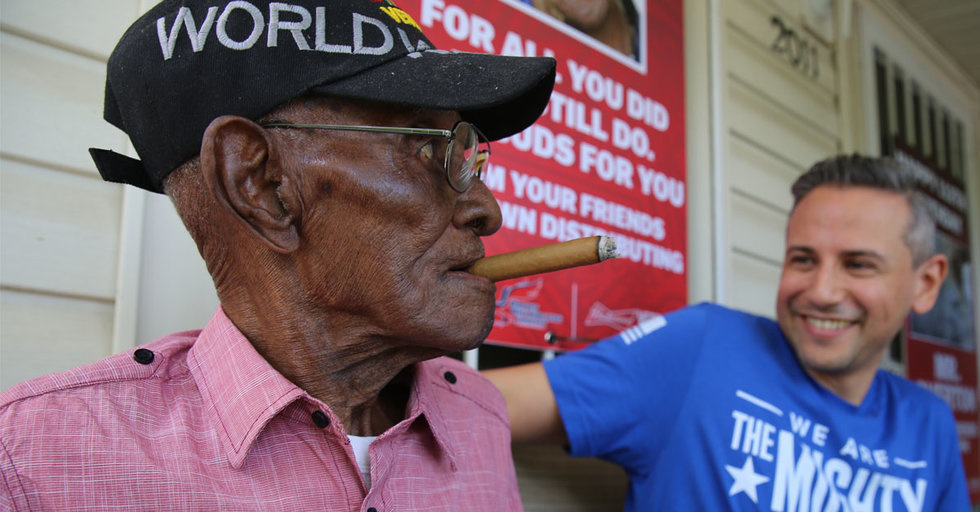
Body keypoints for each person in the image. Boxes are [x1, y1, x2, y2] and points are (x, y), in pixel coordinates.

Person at [0, 0, 555, 510]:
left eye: (469, 156)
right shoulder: (35, 462)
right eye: (430, 150)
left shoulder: (479, 417)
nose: (487, 209)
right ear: (261, 184)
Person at [486, 154, 971, 510]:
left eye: (858, 265)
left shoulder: (928, 423)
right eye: (803, 259)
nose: (822, 291)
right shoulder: (702, 347)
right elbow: (469, 401)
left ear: (925, 284)